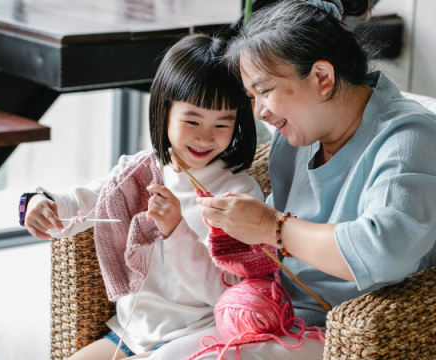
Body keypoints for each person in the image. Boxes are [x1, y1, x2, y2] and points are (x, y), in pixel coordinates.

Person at [185, 0, 436, 358]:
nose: (259, 112)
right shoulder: (294, 142)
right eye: (251, 97)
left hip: (347, 333)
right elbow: (288, 239)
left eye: (265, 90)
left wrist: (271, 227)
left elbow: (386, 250)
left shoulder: (412, 136)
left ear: (322, 77)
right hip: (278, 313)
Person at [22, 34, 263, 360]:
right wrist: (38, 204)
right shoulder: (136, 173)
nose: (205, 136)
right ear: (164, 110)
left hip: (199, 336)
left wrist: (177, 230)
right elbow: (81, 204)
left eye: (223, 124)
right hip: (131, 332)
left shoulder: (238, 195)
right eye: (192, 120)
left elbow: (225, 290)